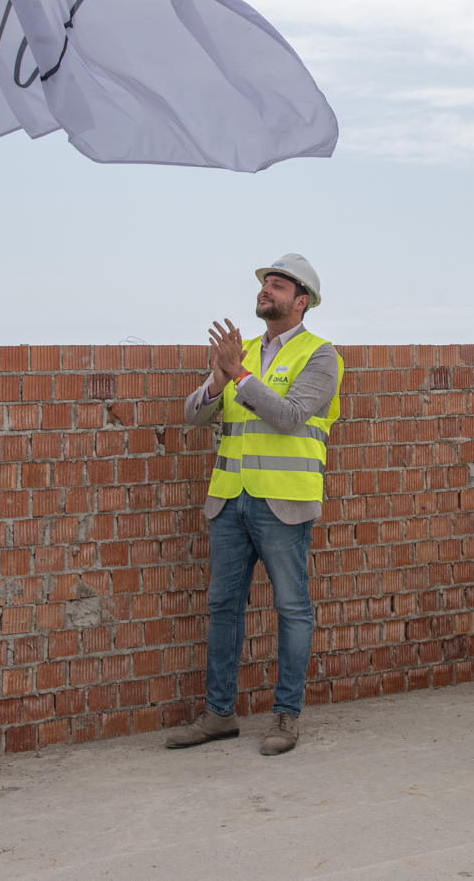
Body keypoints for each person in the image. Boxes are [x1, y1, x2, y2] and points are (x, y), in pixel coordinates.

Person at [164, 254, 343, 757]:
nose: (267, 290)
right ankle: (219, 714)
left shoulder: (320, 355)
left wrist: (239, 375)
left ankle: (286, 717)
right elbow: (193, 415)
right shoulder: (237, 352)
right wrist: (220, 381)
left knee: (292, 609)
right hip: (229, 500)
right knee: (223, 608)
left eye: (278, 285)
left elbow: (289, 416)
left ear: (301, 301)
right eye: (266, 283)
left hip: (284, 504)